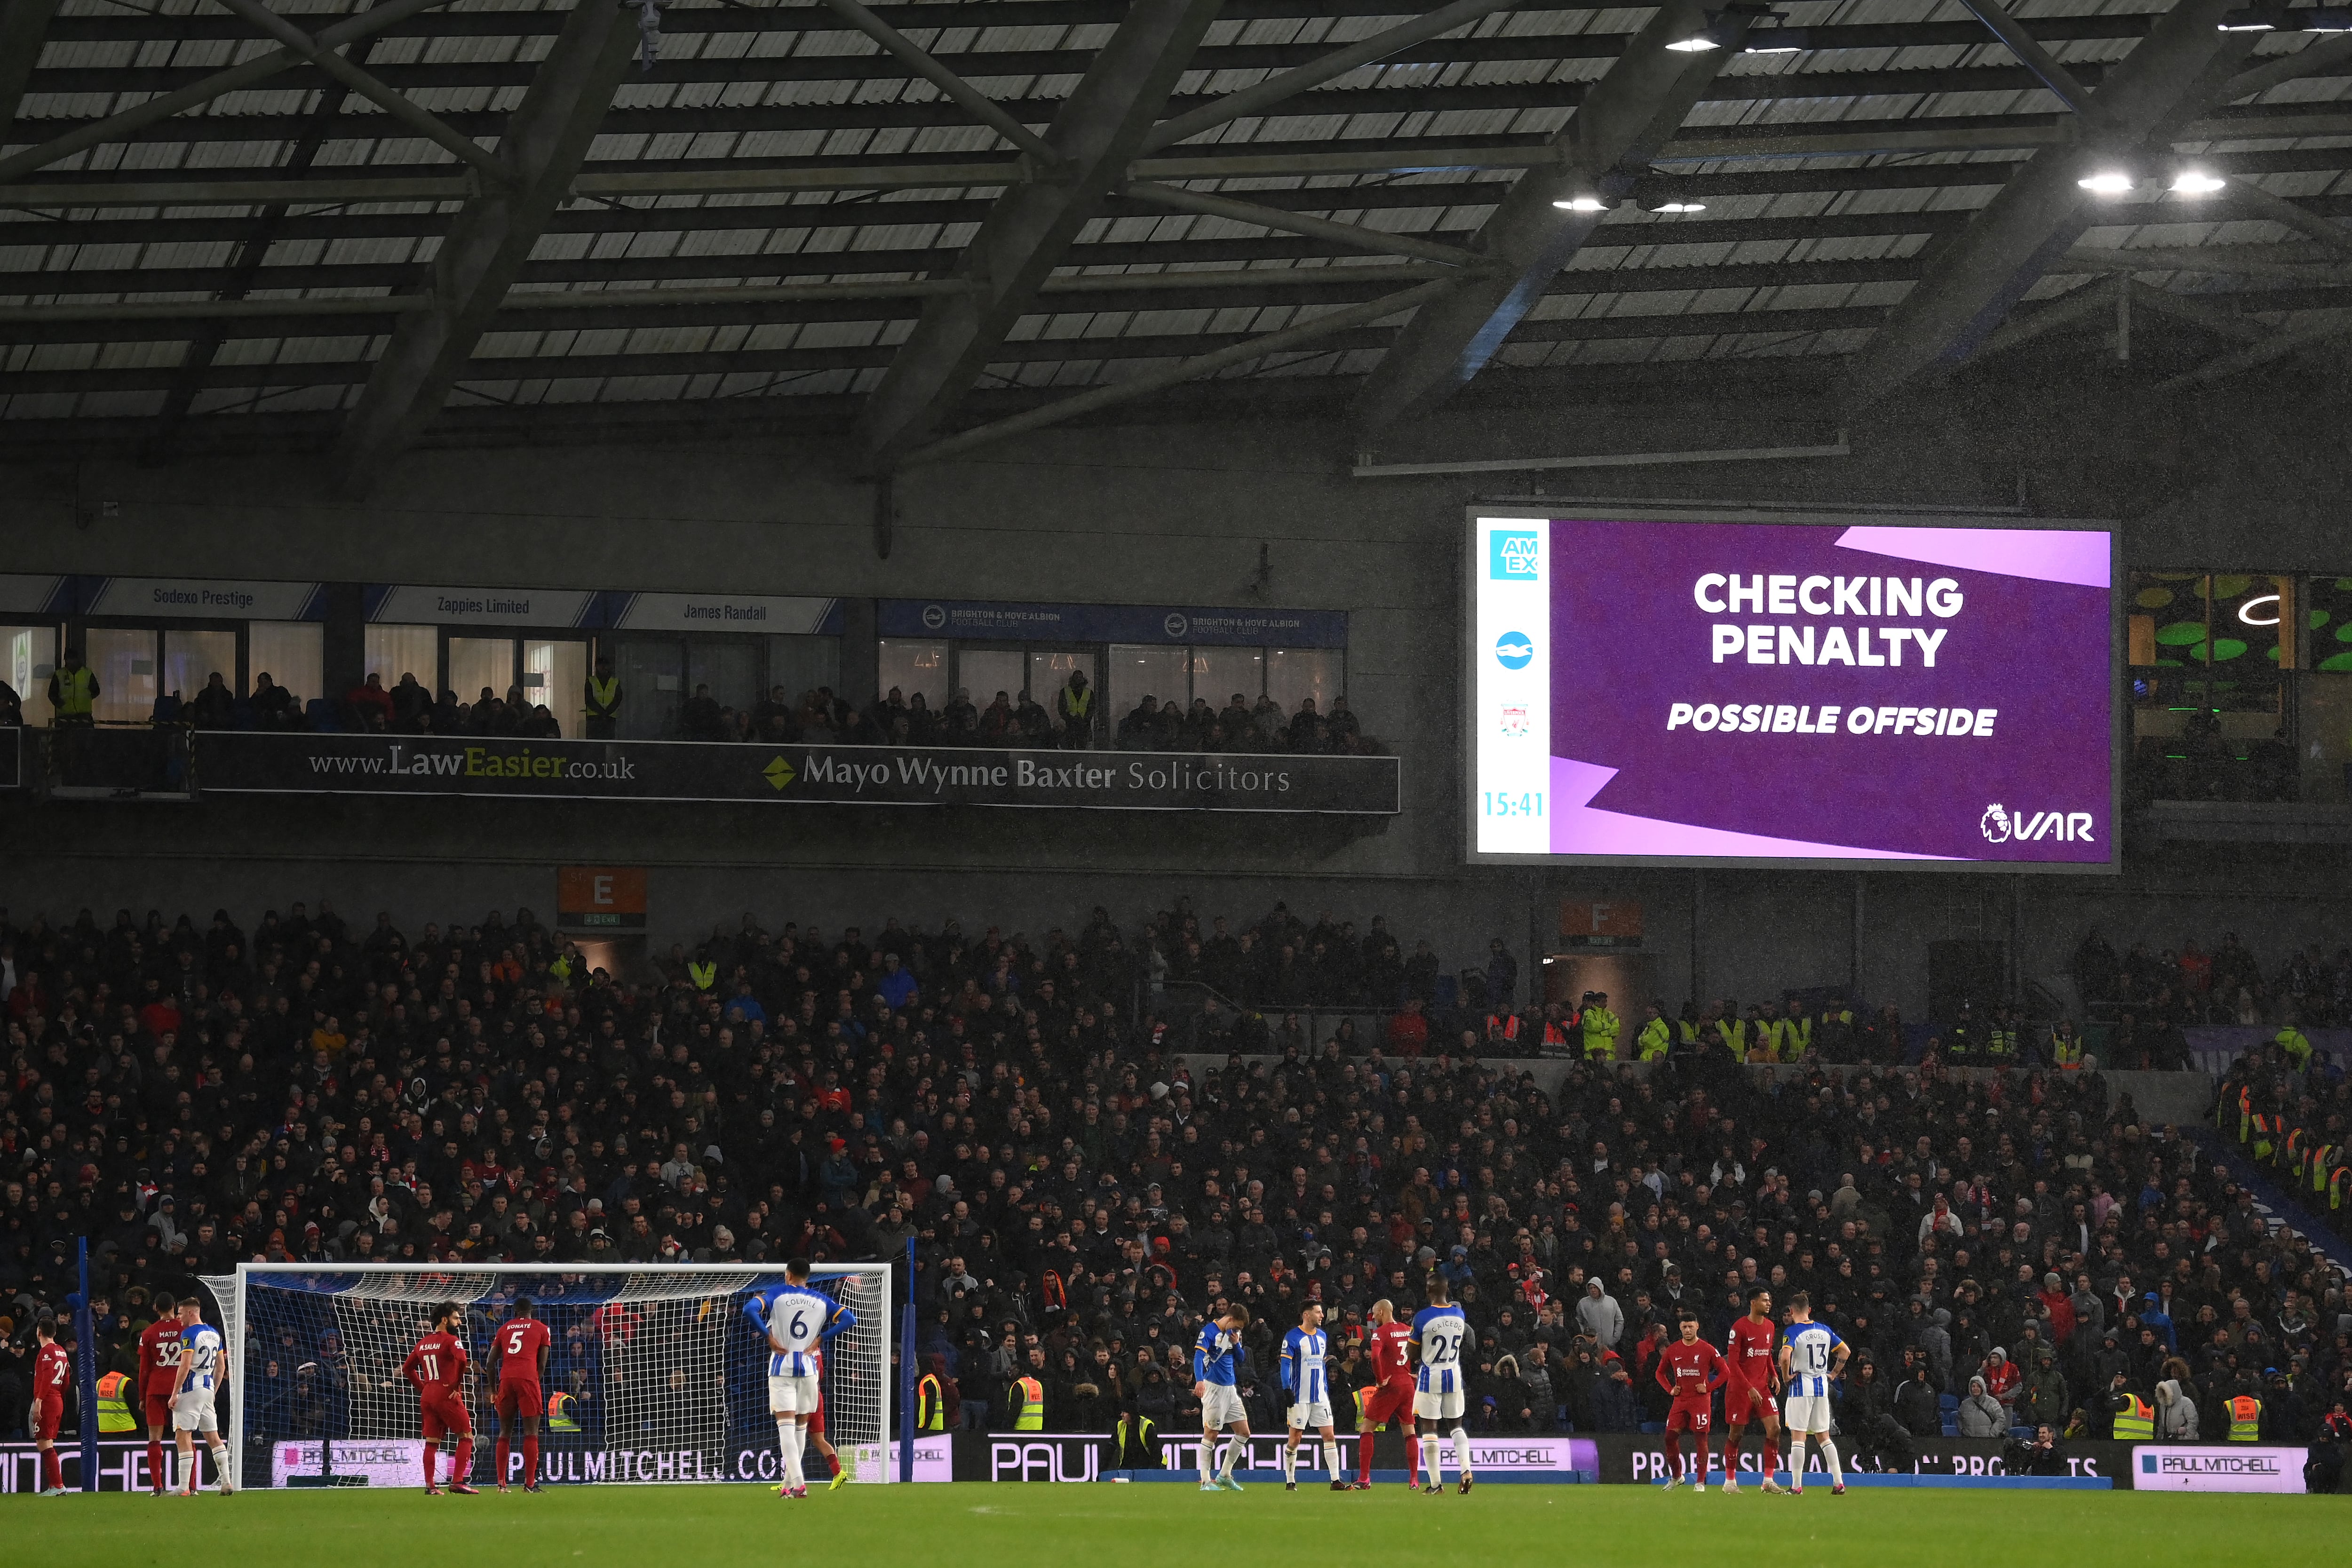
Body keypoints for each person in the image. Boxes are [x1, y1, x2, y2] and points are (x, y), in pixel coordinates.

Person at [744, 1258, 856, 1499]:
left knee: (786, 1431)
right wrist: (822, 1338)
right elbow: (849, 1319)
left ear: (788, 1275)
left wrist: (767, 1336)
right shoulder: (820, 1300)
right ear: (806, 1277)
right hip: (808, 1372)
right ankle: (788, 1487)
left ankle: (799, 1483)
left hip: (782, 1368)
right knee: (801, 1431)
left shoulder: (777, 1294)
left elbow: (749, 1310)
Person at [398, 1301, 477, 1495]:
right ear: (445, 1319)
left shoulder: (423, 1343)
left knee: (432, 1442)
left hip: (428, 1395)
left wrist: (423, 1388)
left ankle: (430, 1486)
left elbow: (407, 1369)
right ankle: (458, 1481)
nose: (459, 1322)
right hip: (446, 1393)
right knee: (466, 1436)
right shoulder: (451, 1340)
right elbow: (463, 1360)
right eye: (456, 1318)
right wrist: (455, 1385)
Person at [1777, 1291, 1847, 1497]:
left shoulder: (1793, 1331)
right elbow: (1846, 1352)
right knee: (1824, 1437)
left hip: (1801, 1387)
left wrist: (1786, 1376)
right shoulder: (1825, 1330)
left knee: (1798, 1437)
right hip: (1821, 1387)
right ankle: (1839, 1482)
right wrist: (1834, 1373)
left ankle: (1797, 1486)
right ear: (1810, 1310)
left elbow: (1785, 1357)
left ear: (1791, 1311)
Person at [1411, 1271, 1474, 1495]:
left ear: (1429, 1290)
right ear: (1447, 1290)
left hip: (1431, 1377)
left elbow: (1412, 1352)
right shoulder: (1460, 1315)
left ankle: (1436, 1484)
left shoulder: (1422, 1317)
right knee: (1456, 1426)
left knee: (1429, 1430)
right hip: (1454, 1375)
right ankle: (1466, 1469)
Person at [1721, 1285, 1787, 1494]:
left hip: (1762, 1387)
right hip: (1740, 1389)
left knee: (1775, 1429)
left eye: (1769, 1300)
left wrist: (1773, 1375)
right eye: (1765, 1300)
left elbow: (1766, 1353)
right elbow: (1733, 1361)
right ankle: (1730, 1482)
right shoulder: (1739, 1327)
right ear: (1753, 1303)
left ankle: (1768, 1480)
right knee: (1736, 1434)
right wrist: (1748, 1388)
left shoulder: (1770, 1326)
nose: (1769, 1303)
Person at [1654, 1310, 1727, 1492]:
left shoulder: (1707, 1349)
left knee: (1700, 1440)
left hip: (1700, 1401)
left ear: (1697, 1326)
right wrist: (1670, 1389)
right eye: (1684, 1327)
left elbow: (1725, 1372)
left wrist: (1708, 1388)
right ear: (1680, 1328)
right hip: (1680, 1401)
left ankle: (1700, 1482)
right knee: (1670, 1437)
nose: (1687, 1330)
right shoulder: (1673, 1350)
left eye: (1690, 1326)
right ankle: (1677, 1477)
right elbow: (1659, 1373)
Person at [169, 1298, 235, 1496]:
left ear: (191, 1313)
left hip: (190, 1389)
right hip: (207, 1389)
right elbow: (222, 1367)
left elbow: (185, 1365)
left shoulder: (189, 1333)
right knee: (213, 1436)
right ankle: (227, 1482)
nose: (178, 1317)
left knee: (183, 1434)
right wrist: (213, 1392)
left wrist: (174, 1393)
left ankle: (183, 1488)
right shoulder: (215, 1334)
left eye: (180, 1313)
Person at [1280, 1302, 1348, 1491]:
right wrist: (1287, 1389)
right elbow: (1285, 1366)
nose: (1322, 1316)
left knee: (1329, 1436)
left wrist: (1326, 1389)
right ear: (1306, 1315)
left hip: (1320, 1396)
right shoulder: (1292, 1337)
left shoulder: (1322, 1336)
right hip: (1299, 1396)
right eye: (1318, 1312)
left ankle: (1335, 1480)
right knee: (1295, 1439)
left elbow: (1321, 1365)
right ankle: (1290, 1480)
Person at [1355, 1297, 1419, 1489]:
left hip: (1391, 1385)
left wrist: (1380, 1379)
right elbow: (1421, 1352)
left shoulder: (1380, 1333)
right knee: (1410, 1431)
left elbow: (1375, 1357)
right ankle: (1414, 1480)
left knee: (1366, 1428)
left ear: (1382, 1312)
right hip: (1408, 1385)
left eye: (1375, 1314)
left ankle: (1364, 1479)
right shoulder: (1408, 1330)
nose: (1374, 1318)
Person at [491, 1295, 550, 1493]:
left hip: (506, 1380)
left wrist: (493, 1391)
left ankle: (501, 1484)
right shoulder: (542, 1329)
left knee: (504, 1432)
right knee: (531, 1432)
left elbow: (490, 1364)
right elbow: (542, 1364)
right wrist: (534, 1380)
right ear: (531, 1311)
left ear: (515, 1312)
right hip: (528, 1380)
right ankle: (530, 1484)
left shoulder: (504, 1329)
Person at [1194, 1304, 1252, 1492]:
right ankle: (1205, 1481)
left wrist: (1236, 1344)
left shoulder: (1234, 1335)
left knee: (1244, 1432)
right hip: (1214, 1388)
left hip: (1230, 1389)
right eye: (1237, 1326)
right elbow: (1198, 1357)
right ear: (1230, 1319)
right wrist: (1199, 1381)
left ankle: (1225, 1475)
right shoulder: (1209, 1332)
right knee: (1212, 1433)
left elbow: (1241, 1359)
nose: (1238, 1331)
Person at [137, 1290, 184, 1495]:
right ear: (175, 1306)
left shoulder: (148, 1333)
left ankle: (157, 1486)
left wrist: (141, 1396)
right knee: (185, 1436)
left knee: (155, 1438)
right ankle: (190, 1487)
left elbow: (144, 1369)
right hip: (180, 1389)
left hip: (155, 1389)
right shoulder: (186, 1329)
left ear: (156, 1308)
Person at [30, 1316, 69, 1496]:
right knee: (48, 1442)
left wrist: (39, 1400)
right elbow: (67, 1379)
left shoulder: (46, 1352)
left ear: (39, 1332)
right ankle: (55, 1485)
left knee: (43, 1443)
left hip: (47, 1399)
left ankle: (58, 1485)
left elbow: (46, 1377)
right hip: (58, 1399)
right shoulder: (62, 1351)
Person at [585, 659, 621, 739]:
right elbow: (589, 700)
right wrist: (603, 713)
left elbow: (618, 699)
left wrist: (606, 713)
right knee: (594, 743)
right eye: (601, 665)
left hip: (609, 718)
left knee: (608, 743)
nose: (603, 668)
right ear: (596, 667)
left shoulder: (615, 681)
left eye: (605, 665)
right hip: (594, 718)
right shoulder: (591, 681)